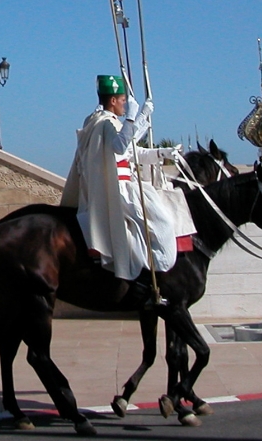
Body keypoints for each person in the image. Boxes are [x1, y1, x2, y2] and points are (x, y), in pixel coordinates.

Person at [61, 75, 192, 305]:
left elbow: (132, 151)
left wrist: (162, 151)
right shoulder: (106, 123)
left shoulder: (104, 122)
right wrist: (133, 116)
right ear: (113, 100)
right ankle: (150, 278)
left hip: (126, 184)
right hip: (120, 191)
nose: (124, 104)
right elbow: (120, 144)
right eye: (123, 100)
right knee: (161, 224)